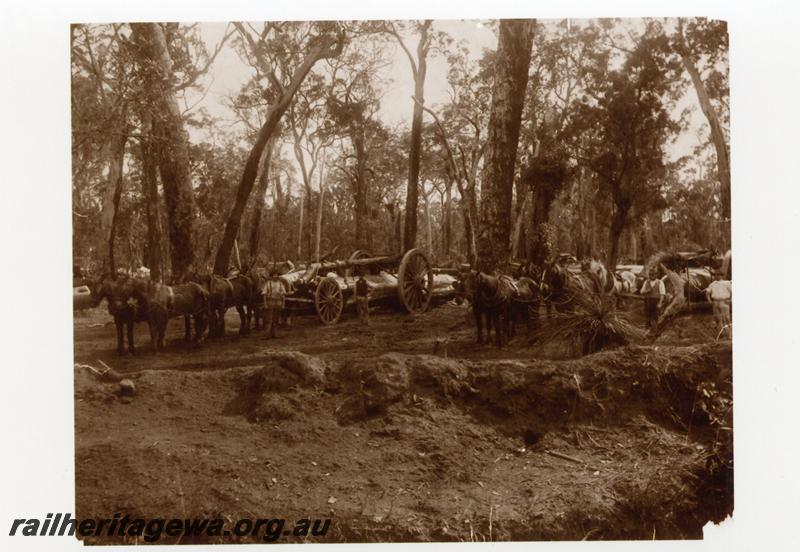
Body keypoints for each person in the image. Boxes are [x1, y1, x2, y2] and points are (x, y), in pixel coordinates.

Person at [705, 270, 732, 339]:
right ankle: (720, 335)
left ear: (722, 275)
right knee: (718, 319)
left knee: (726, 319)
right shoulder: (713, 284)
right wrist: (709, 301)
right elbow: (707, 292)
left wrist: (730, 300)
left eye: (719, 275)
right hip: (715, 302)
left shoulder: (727, 283)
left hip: (724, 301)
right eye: (716, 275)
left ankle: (729, 335)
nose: (717, 276)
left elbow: (732, 291)